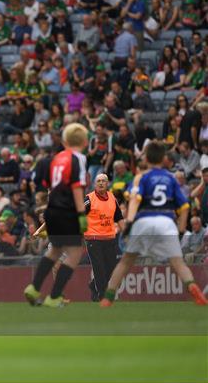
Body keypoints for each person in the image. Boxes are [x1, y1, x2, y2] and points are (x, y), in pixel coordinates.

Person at [101, 141, 207, 307]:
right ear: (163, 158)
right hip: (166, 222)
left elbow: (135, 199)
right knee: (178, 262)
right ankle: (193, 288)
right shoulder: (171, 179)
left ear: (146, 158)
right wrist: (180, 231)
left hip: (144, 220)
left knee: (126, 261)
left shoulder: (141, 177)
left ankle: (108, 298)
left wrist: (128, 223)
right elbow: (185, 206)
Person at [24, 123, 89, 308]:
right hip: (68, 210)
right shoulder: (79, 159)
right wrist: (81, 215)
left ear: (64, 141)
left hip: (52, 210)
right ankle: (54, 296)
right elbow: (77, 186)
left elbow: (46, 184)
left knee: (55, 250)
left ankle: (34, 287)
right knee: (75, 253)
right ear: (85, 142)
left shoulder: (55, 159)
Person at [84, 173, 125, 301]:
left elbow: (119, 217)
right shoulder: (89, 199)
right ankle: (102, 295)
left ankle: (93, 285)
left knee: (110, 268)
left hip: (110, 238)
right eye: (98, 181)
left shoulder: (112, 198)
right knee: (99, 268)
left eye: (103, 181)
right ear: (95, 184)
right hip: (93, 239)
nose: (101, 183)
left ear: (108, 184)